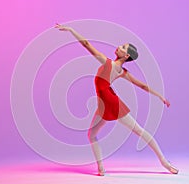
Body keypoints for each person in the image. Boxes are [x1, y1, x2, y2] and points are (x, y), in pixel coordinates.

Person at [55, 23, 179, 176]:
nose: (119, 47)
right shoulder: (121, 71)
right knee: (92, 134)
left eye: (122, 47)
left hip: (111, 103)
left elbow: (86, 44)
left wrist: (71, 30)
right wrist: (160, 96)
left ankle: (165, 163)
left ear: (126, 56)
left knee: (138, 130)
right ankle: (101, 169)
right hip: (104, 104)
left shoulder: (108, 63)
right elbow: (142, 86)